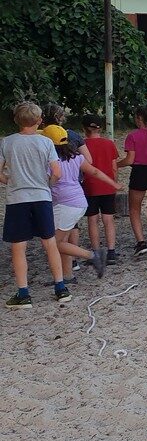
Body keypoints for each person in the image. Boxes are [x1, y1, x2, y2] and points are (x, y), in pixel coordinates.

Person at [2, 103, 70, 307]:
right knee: (49, 242)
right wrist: (47, 184)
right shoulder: (46, 142)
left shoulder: (7, 142)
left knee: (18, 246)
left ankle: (23, 293)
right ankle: (60, 287)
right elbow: (56, 172)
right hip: (41, 196)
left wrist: (10, 181)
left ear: (16, 120)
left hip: (17, 198)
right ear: (40, 121)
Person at [43, 124, 115, 279]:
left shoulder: (51, 163)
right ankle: (68, 276)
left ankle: (93, 256)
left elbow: (52, 179)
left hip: (65, 205)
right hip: (79, 201)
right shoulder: (76, 157)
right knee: (63, 241)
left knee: (53, 243)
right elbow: (94, 171)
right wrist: (113, 183)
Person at [118, 105, 147, 258]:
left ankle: (141, 242)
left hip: (139, 172)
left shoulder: (133, 136)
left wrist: (116, 165)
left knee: (135, 209)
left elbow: (129, 159)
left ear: (139, 118)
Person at [81, 113, 120, 264]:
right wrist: (114, 182)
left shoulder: (82, 146)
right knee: (108, 219)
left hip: (89, 186)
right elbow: (114, 167)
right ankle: (111, 251)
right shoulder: (109, 144)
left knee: (93, 220)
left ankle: (96, 253)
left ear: (84, 129)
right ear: (101, 128)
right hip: (108, 185)